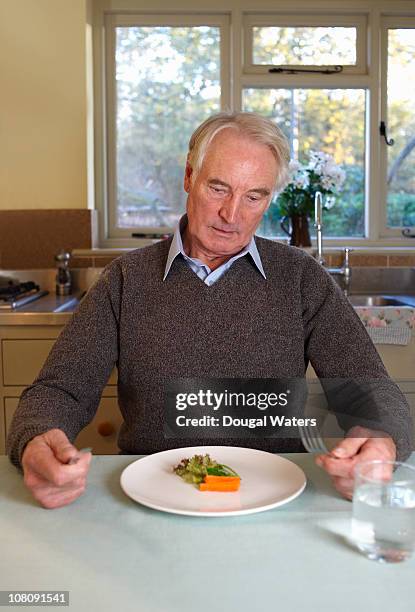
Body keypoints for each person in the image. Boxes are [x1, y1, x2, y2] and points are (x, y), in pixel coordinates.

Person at [7, 112, 412, 509]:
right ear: (189, 177)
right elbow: (60, 389)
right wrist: (37, 438)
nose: (231, 216)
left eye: (254, 196)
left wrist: (379, 440)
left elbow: (371, 391)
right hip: (150, 499)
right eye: (218, 188)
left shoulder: (302, 279)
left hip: (279, 498)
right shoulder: (126, 279)